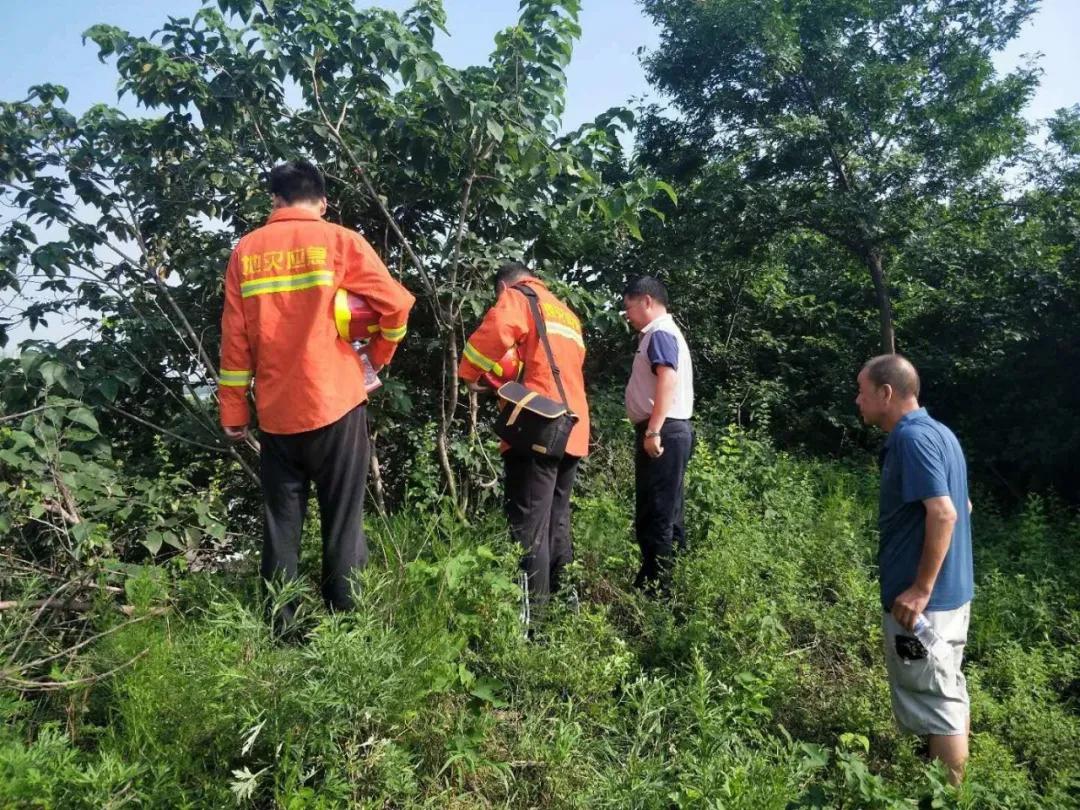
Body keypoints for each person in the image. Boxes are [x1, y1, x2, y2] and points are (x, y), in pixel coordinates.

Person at [218, 159, 415, 625]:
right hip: (338, 401)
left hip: (276, 410)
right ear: (322, 200)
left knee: (281, 525)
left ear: (275, 200)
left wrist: (233, 410)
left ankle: (280, 626)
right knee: (343, 520)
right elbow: (398, 305)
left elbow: (234, 339)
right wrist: (376, 356)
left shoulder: (245, 252)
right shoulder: (340, 241)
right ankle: (347, 625)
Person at [855, 354, 974, 785]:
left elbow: (944, 514)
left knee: (936, 698)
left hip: (925, 606)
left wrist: (921, 589)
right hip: (952, 596)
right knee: (944, 688)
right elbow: (963, 504)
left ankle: (949, 795)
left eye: (863, 391)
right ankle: (934, 781)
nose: (858, 400)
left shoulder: (912, 439)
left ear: (886, 393)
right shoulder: (942, 434)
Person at [458, 262, 590, 624]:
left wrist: (468, 375)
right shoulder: (565, 312)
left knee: (528, 530)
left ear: (503, 286)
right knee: (557, 525)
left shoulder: (518, 298)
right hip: (573, 429)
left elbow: (497, 330)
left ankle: (536, 627)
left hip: (538, 429)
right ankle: (567, 614)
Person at [623, 276, 695, 593]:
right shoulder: (662, 333)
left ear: (647, 301)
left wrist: (653, 429)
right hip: (670, 429)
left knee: (656, 514)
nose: (627, 315)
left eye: (629, 307)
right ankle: (667, 584)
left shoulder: (660, 333)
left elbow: (666, 379)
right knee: (668, 512)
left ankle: (657, 591)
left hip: (663, 430)